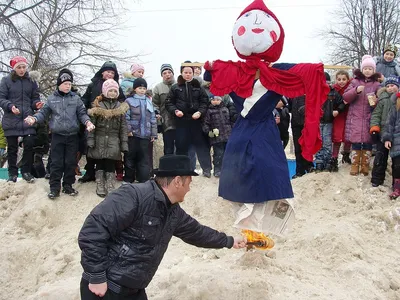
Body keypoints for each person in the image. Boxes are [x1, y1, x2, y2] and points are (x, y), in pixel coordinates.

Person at [78, 155, 247, 300]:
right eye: (189, 182)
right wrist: (97, 275)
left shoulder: (173, 211)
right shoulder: (134, 196)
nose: (189, 188)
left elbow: (197, 233)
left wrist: (229, 241)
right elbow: (92, 231)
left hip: (134, 291)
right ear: (178, 181)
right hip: (106, 288)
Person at [24, 69, 95, 199]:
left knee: (70, 162)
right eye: (65, 83)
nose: (68, 86)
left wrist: (88, 123)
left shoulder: (76, 99)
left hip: (72, 135)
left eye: (70, 84)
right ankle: (54, 188)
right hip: (57, 136)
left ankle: (68, 186)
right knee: (56, 163)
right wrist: (34, 119)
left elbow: (82, 113)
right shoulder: (51, 99)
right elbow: (43, 113)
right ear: (59, 84)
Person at [80, 61, 125, 183]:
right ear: (102, 72)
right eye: (108, 71)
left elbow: (122, 101)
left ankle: (108, 174)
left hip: (111, 121)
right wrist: (86, 112)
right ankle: (89, 172)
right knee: (91, 146)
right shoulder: (93, 84)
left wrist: (117, 112)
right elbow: (84, 99)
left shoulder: (117, 87)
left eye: (112, 72)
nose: (110, 74)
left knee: (109, 149)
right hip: (94, 119)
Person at [165, 63, 212, 178]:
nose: (188, 74)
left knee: (201, 145)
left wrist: (200, 112)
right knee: (181, 145)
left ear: (193, 74)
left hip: (196, 120)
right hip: (181, 121)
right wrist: (175, 111)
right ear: (181, 73)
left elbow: (204, 102)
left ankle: (206, 169)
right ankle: (182, 170)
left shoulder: (198, 87)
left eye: (190, 72)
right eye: (185, 72)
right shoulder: (175, 87)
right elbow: (168, 102)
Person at [0, 56, 42, 183]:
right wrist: (10, 106)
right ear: (14, 68)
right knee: (12, 148)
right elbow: (1, 98)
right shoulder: (6, 81)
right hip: (11, 118)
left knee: (29, 144)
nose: (22, 69)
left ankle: (26, 171)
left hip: (27, 118)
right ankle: (12, 173)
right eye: (19, 67)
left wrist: (37, 105)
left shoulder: (32, 81)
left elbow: (35, 98)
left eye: (24, 67)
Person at [87, 79, 129, 197]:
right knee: (99, 162)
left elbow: (123, 127)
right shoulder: (97, 106)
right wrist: (90, 139)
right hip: (99, 138)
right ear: (105, 91)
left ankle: (110, 183)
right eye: (110, 90)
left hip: (113, 140)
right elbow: (92, 126)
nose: (112, 93)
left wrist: (124, 143)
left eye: (115, 91)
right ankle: (100, 183)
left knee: (111, 163)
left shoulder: (120, 108)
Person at [343, 55, 381, 176]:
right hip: (355, 117)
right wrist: (355, 91)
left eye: (370, 68)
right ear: (362, 69)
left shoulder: (376, 84)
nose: (367, 71)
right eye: (365, 68)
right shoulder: (354, 82)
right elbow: (345, 97)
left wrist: (376, 100)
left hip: (369, 116)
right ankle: (355, 164)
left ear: (374, 70)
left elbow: (381, 100)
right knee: (356, 141)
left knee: (368, 142)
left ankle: (365, 165)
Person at [124, 78, 157, 183]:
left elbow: (153, 118)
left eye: (144, 88)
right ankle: (129, 179)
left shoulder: (149, 101)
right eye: (140, 88)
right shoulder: (129, 101)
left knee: (144, 159)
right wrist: (128, 130)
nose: (142, 90)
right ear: (135, 89)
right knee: (130, 157)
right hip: (133, 134)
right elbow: (126, 117)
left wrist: (153, 134)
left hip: (145, 135)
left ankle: (143, 179)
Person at [370, 76, 399, 187]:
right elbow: (376, 114)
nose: (390, 88)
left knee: (396, 161)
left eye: (392, 85)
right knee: (380, 157)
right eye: (387, 86)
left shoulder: (398, 99)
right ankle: (376, 180)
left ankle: (396, 183)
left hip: (396, 134)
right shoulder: (383, 99)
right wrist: (374, 128)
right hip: (383, 133)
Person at [315, 72, 345, 172]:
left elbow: (341, 103)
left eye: (326, 82)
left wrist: (338, 111)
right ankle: (319, 162)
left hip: (328, 121)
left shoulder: (333, 92)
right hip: (317, 121)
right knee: (318, 142)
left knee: (327, 143)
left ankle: (327, 163)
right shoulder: (315, 91)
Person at [202, 94, 233, 177]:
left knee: (228, 154)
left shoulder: (226, 109)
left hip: (228, 136)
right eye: (213, 99)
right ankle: (217, 170)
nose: (215, 101)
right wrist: (209, 132)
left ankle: (228, 170)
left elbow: (231, 121)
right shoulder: (209, 111)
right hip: (216, 138)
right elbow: (205, 124)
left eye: (218, 99)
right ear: (210, 101)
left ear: (221, 100)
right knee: (218, 154)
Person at [288, 95, 315, 179]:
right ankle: (299, 170)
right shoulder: (293, 92)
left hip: (307, 122)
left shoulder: (308, 89)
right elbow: (289, 106)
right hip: (295, 122)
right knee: (297, 147)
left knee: (307, 145)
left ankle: (309, 165)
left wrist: (305, 108)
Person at [152, 64, 177, 155]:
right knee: (168, 146)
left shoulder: (179, 85)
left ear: (173, 73)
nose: (167, 74)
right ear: (162, 75)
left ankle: (181, 168)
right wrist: (158, 115)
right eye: (164, 73)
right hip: (166, 122)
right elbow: (154, 104)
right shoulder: (158, 87)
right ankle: (169, 167)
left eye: (169, 72)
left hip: (180, 121)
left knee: (180, 146)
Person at [331, 70, 352, 166]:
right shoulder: (333, 90)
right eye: (339, 79)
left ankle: (346, 154)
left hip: (349, 114)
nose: (341, 81)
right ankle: (334, 157)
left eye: (344, 79)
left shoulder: (351, 89)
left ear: (348, 79)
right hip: (338, 116)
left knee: (347, 136)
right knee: (337, 136)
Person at [382, 92, 400, 199]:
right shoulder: (395, 108)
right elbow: (389, 124)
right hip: (397, 140)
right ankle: (396, 187)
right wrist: (387, 139)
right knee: (397, 165)